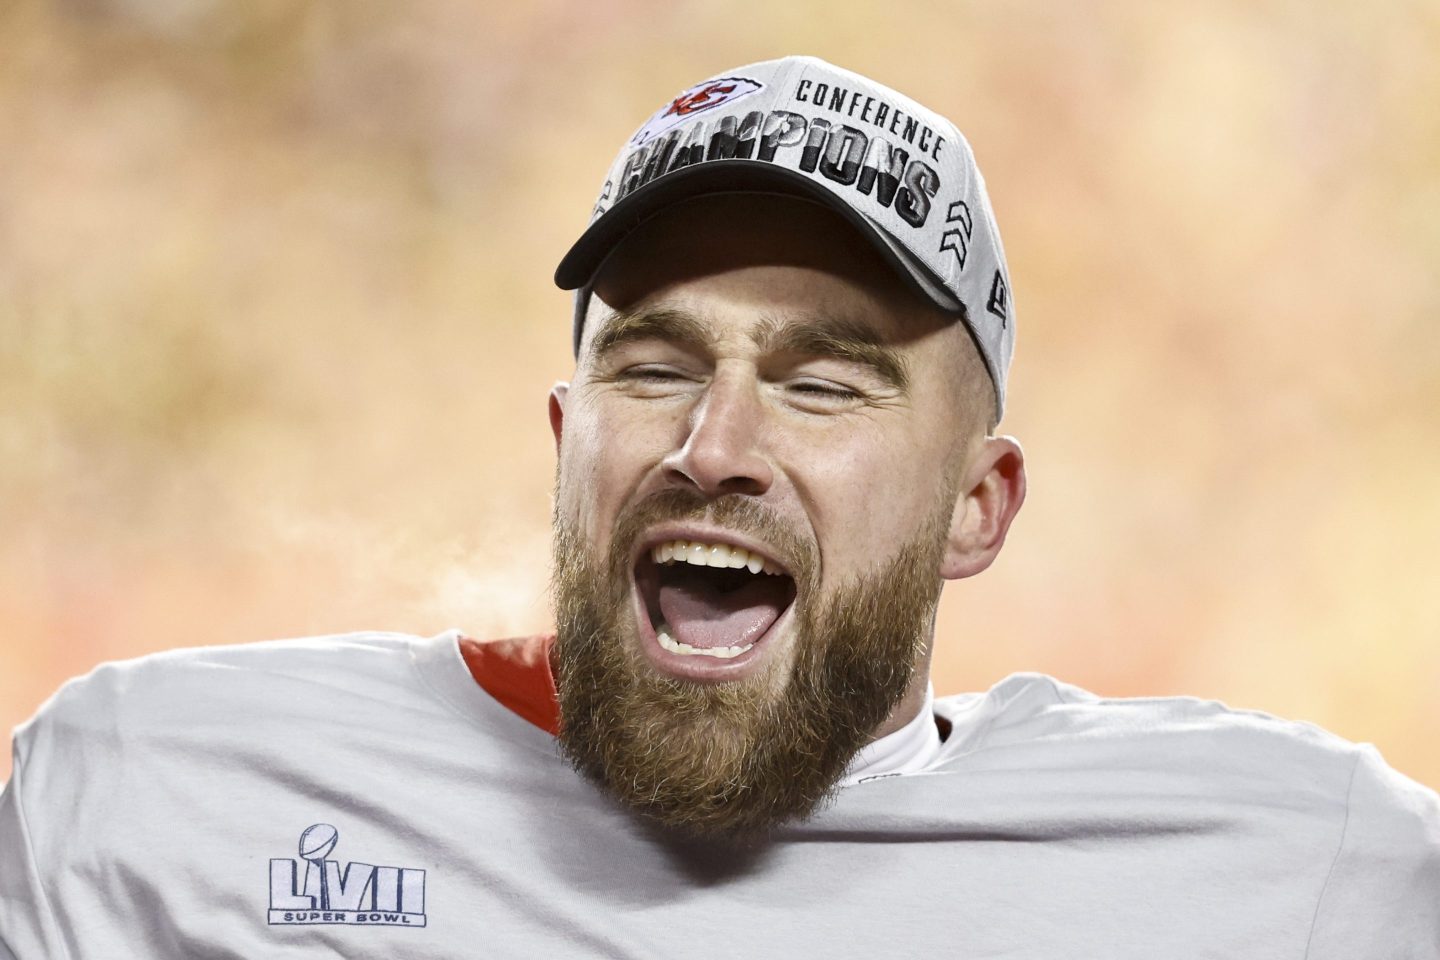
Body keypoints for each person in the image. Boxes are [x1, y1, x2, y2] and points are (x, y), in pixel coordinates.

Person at [1, 55, 1436, 958]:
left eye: (826, 385)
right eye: (654, 365)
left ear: (976, 508)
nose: (715, 444)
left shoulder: (1288, 861)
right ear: (565, 441)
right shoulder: (155, 794)